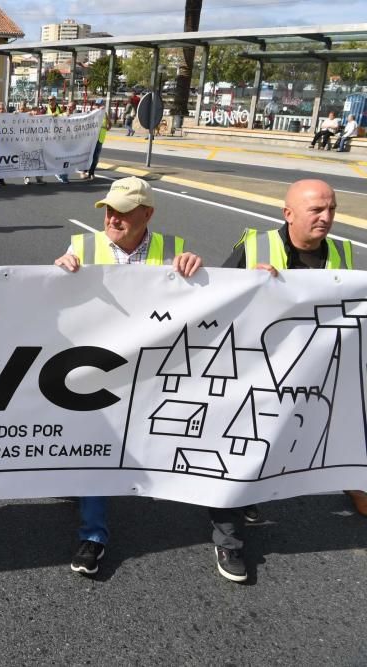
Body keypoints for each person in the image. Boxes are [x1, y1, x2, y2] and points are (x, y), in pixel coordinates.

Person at [53, 176, 202, 578]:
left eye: (123, 211)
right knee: (98, 443)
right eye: (109, 210)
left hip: (148, 371)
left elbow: (202, 303)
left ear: (147, 214)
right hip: (95, 368)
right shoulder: (83, 247)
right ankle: (94, 536)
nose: (113, 219)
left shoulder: (172, 251)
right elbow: (53, 298)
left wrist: (195, 271)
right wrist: (57, 273)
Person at [224, 178, 366, 521]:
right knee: (252, 438)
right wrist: (249, 284)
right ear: (289, 213)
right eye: (316, 209)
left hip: (316, 366)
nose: (326, 217)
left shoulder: (342, 253)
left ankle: (353, 480)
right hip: (260, 367)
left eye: (331, 209)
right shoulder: (256, 248)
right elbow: (219, 305)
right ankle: (234, 501)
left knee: (341, 419)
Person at [80, 101, 111, 180]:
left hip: (100, 139)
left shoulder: (105, 114)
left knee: (96, 157)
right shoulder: (92, 113)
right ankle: (83, 172)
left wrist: (107, 127)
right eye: (96, 105)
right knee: (88, 155)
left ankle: (91, 173)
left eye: (99, 105)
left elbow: (109, 124)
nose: (98, 106)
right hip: (92, 138)